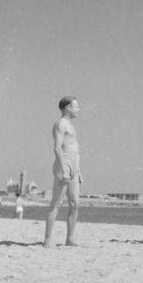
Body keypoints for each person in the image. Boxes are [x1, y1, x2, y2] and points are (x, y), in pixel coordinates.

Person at [43, 96, 83, 248]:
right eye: (76, 106)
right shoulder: (60, 124)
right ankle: (47, 240)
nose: (78, 109)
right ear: (67, 107)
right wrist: (62, 168)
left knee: (75, 204)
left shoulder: (71, 126)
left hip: (74, 165)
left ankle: (70, 238)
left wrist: (78, 170)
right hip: (64, 163)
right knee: (57, 202)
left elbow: (76, 148)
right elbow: (57, 148)